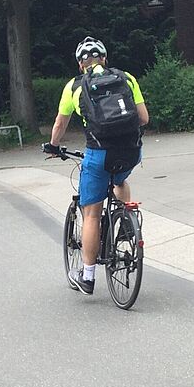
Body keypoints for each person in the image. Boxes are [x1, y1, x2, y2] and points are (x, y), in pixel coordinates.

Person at [42, 36, 149, 295]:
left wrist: (54, 146)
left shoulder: (74, 87)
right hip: (130, 152)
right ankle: (124, 222)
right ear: (104, 58)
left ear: (81, 64)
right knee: (120, 180)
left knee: (91, 213)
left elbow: (59, 125)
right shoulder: (127, 78)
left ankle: (87, 276)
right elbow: (143, 118)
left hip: (98, 154)